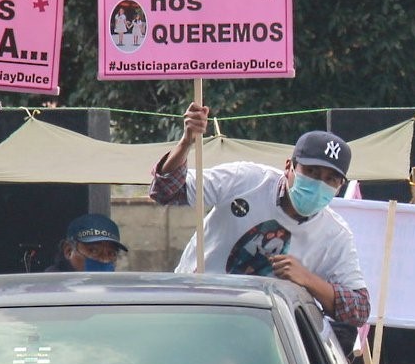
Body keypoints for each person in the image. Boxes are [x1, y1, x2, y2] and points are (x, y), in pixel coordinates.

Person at [147, 103, 369, 326]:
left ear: (339, 187)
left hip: (258, 330)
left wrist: (307, 279)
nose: (318, 184)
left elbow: (359, 310)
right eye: (311, 172)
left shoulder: (335, 235)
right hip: (191, 307)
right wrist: (186, 143)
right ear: (289, 167)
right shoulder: (245, 179)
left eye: (330, 179)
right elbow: (166, 191)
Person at [47, 213, 128, 272]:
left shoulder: (114, 287)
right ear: (68, 251)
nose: (104, 260)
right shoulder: (51, 286)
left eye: (111, 254)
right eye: (93, 251)